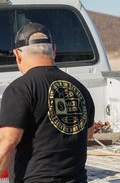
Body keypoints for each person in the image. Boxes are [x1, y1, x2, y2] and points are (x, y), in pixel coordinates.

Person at [0, 23, 95, 182]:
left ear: (18, 55)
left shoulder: (20, 89)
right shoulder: (80, 89)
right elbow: (88, 134)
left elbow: (7, 142)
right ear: (54, 50)